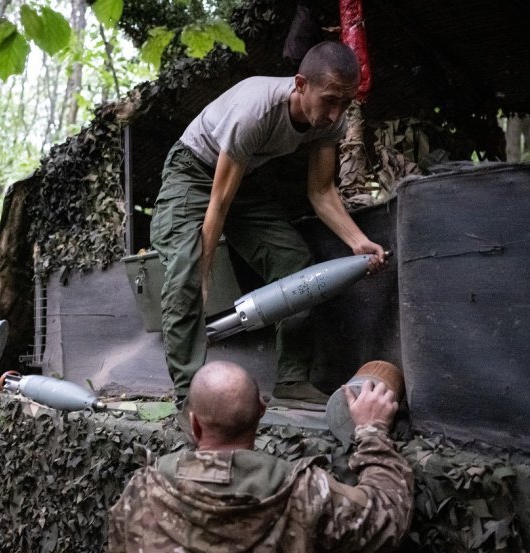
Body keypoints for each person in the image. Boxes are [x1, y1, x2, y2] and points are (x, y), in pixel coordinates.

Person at [150, 41, 387, 410]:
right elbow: (219, 202)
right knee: (187, 271)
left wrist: (358, 241)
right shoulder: (255, 112)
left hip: (241, 181)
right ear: (300, 84)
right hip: (192, 171)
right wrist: (205, 269)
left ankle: (292, 379)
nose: (335, 112)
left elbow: (322, 192)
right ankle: (191, 400)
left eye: (345, 103)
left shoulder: (331, 120)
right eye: (329, 100)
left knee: (293, 262)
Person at [101, 360, 414, 553]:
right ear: (261, 412)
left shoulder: (141, 492)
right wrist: (371, 430)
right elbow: (388, 519)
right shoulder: (304, 491)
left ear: (194, 425)